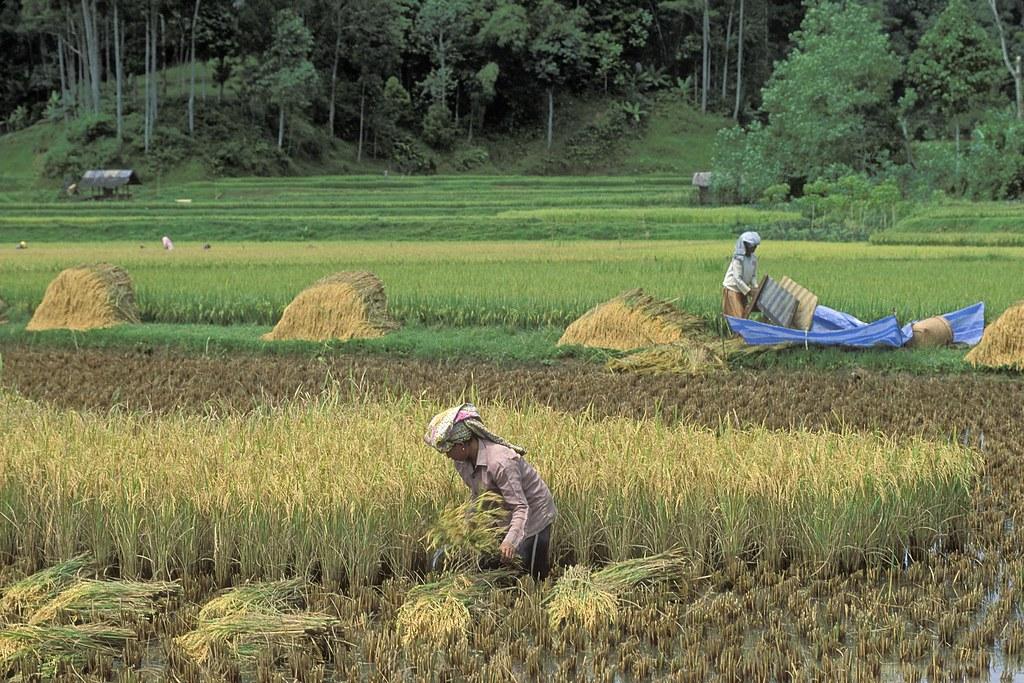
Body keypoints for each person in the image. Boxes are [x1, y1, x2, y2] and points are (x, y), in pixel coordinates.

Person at [424, 403, 557, 580]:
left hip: (532, 514)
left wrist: (510, 541)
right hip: (505, 512)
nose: (447, 456)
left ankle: (534, 594)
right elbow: (480, 496)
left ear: (462, 445)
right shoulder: (462, 463)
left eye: (449, 450)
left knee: (526, 568)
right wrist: (465, 525)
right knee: (497, 565)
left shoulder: (500, 462)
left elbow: (520, 507)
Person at [722, 231, 761, 318]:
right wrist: (749, 291)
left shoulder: (753, 258)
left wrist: (755, 287)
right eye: (751, 246)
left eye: (755, 246)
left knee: (745, 315)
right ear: (744, 245)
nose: (754, 248)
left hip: (743, 291)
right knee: (738, 316)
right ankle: (735, 332)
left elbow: (753, 276)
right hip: (733, 289)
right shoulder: (738, 259)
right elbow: (737, 279)